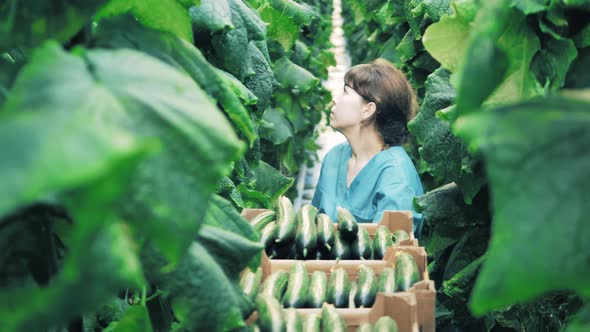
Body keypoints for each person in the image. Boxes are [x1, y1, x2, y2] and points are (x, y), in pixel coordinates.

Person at [311, 58, 425, 237]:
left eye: (345, 93)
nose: (334, 100)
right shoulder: (334, 157)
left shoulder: (396, 176)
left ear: (368, 110)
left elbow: (391, 251)